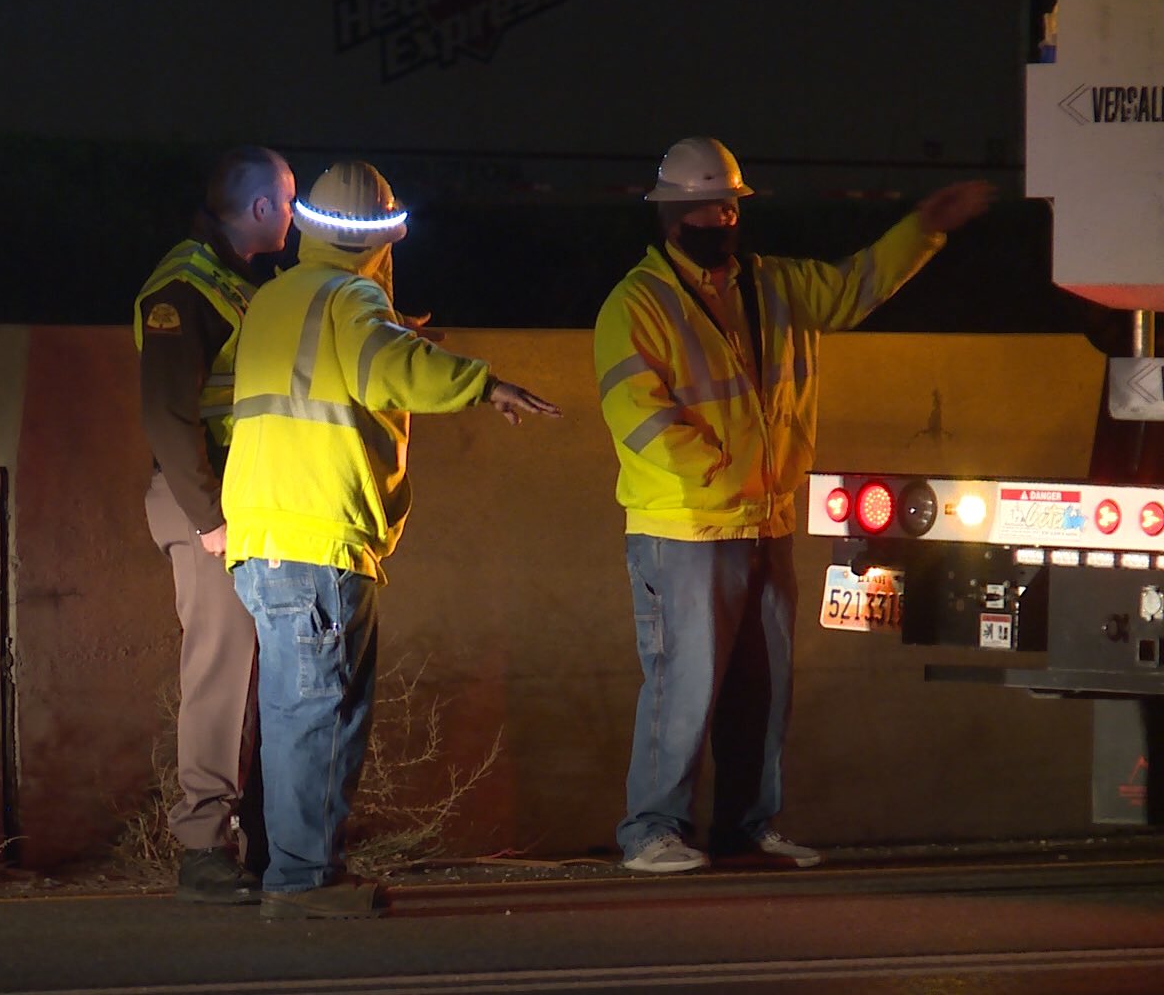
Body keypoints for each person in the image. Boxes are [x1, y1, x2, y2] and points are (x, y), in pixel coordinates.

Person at [593, 137, 997, 874]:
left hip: (763, 522)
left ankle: (745, 828)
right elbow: (640, 417)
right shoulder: (637, 304)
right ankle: (650, 832)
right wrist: (727, 477)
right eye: (707, 207)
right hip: (686, 528)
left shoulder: (772, 284)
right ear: (671, 216)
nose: (721, 218)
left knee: (763, 691)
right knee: (684, 688)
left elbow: (856, 286)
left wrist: (924, 228)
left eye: (729, 205)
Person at [222, 160, 562, 919]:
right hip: (321, 539)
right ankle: (304, 883)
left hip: (264, 536)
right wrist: (484, 384)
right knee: (321, 717)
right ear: (379, 243)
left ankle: (289, 868)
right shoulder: (352, 300)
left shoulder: (277, 297)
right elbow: (389, 369)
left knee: (295, 715)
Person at [135, 145, 296, 905]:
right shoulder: (185, 286)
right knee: (221, 676)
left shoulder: (244, 281)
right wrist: (209, 521)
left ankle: (260, 841)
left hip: (246, 501)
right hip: (212, 506)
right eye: (287, 202)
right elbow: (167, 414)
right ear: (261, 208)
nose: (294, 216)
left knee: (257, 680)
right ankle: (204, 845)